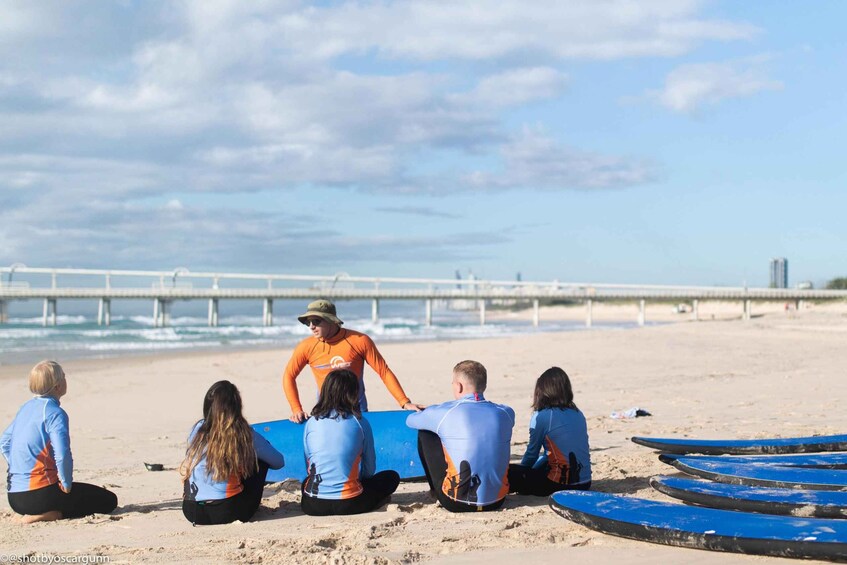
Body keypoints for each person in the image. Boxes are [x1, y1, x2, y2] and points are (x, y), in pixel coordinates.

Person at [1, 360, 118, 523]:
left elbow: (4, 443)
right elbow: (62, 454)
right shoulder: (55, 413)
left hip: (14, 497)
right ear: (57, 386)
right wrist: (66, 482)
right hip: (41, 495)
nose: (65, 379)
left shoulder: (25, 408)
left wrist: (19, 466)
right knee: (109, 500)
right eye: (63, 376)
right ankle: (48, 514)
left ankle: (27, 512)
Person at [282, 299, 423, 423]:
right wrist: (296, 409)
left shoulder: (358, 341)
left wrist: (404, 402)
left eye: (316, 321)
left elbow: (383, 371)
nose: (311, 326)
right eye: (308, 322)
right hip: (325, 412)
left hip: (357, 411)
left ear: (331, 320)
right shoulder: (306, 346)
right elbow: (289, 375)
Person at [406, 360, 514, 512]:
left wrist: (432, 411)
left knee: (426, 432)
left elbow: (410, 421)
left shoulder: (446, 413)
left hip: (454, 502)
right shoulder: (506, 413)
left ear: (458, 386)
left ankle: (435, 491)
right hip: (496, 501)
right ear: (484, 386)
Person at [180, 380, 285, 525]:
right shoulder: (242, 432)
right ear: (236, 406)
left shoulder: (197, 430)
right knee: (260, 461)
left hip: (192, 511)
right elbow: (278, 462)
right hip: (228, 511)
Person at [301, 369, 400, 516]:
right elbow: (369, 468)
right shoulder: (360, 422)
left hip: (313, 505)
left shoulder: (311, 422)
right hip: (349, 503)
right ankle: (376, 501)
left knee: (306, 482)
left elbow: (309, 463)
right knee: (391, 477)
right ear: (353, 393)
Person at [508, 367, 591, 496]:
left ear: (542, 391)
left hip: (559, 484)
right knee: (546, 461)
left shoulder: (542, 416)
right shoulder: (578, 413)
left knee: (508, 472)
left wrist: (522, 473)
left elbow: (532, 454)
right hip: (585, 482)